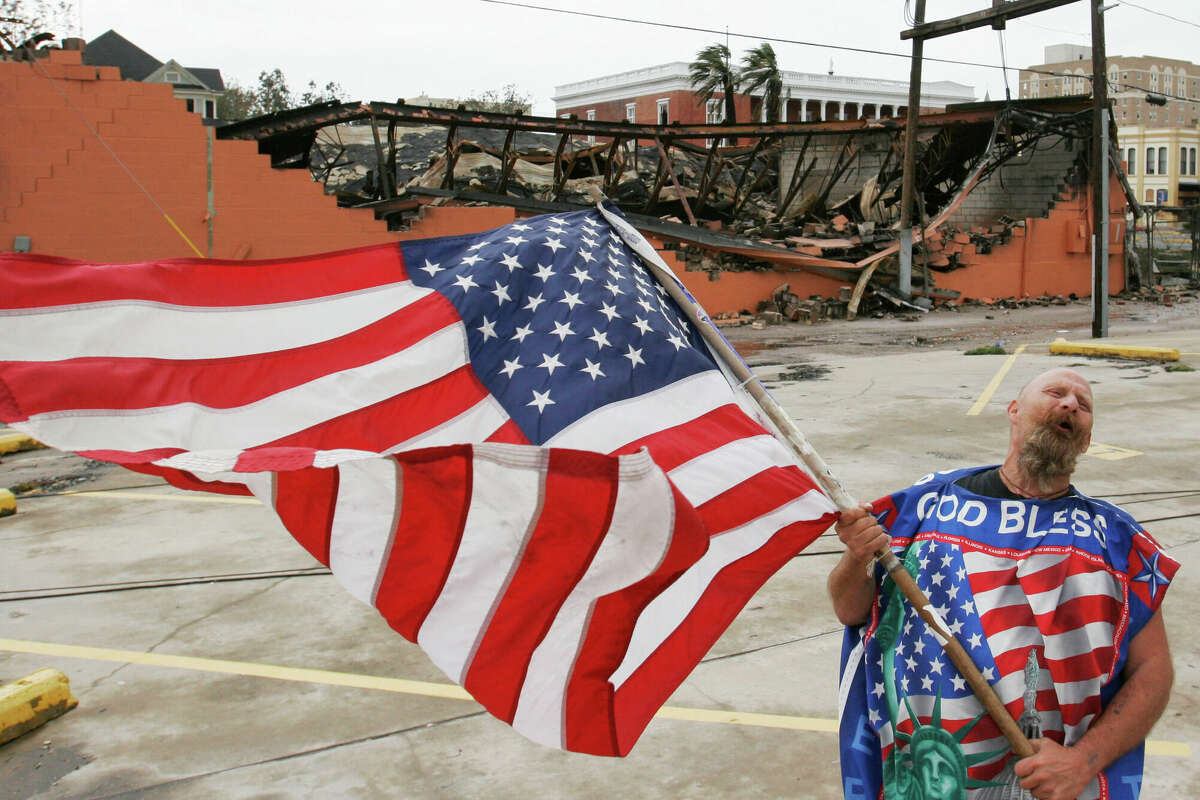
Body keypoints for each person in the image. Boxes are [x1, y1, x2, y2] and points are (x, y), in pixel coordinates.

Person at [829, 368, 1177, 800]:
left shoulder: (1118, 543)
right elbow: (850, 611)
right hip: (927, 780)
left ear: (1086, 441)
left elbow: (1152, 671)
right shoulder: (924, 506)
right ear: (1014, 411)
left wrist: (1081, 762)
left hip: (1049, 783)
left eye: (1083, 404)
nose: (1069, 404)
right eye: (1055, 393)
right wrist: (856, 558)